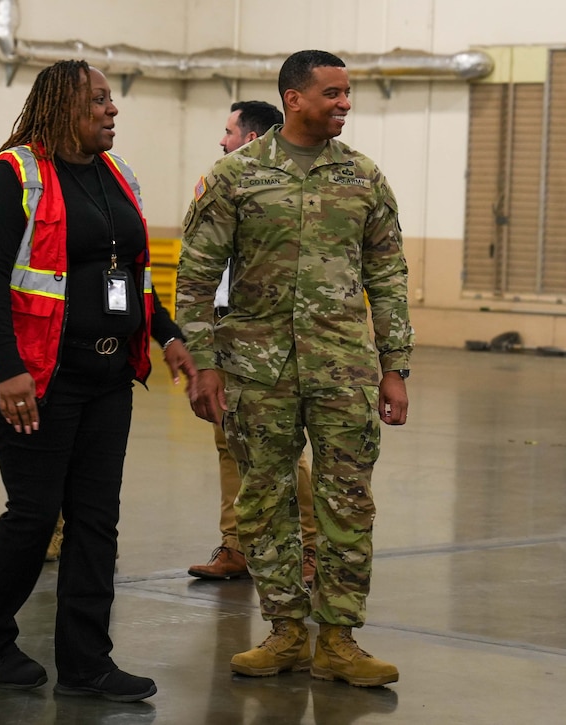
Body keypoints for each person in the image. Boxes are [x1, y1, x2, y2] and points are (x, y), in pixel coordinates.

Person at [176, 49, 412, 688]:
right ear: (293, 98)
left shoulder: (363, 177)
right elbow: (194, 279)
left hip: (343, 371)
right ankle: (283, 632)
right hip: (258, 372)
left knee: (347, 501)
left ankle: (338, 639)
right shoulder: (237, 175)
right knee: (265, 497)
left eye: (346, 93)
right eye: (331, 93)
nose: (344, 103)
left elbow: (387, 277)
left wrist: (396, 368)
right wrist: (204, 365)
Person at [0, 59, 196, 702]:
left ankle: (87, 664)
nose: (112, 109)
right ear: (64, 106)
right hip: (35, 379)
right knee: (36, 514)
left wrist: (167, 335)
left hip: (108, 375)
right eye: (99, 100)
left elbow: (136, 276)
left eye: (111, 100)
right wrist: (10, 371)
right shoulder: (13, 175)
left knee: (97, 520)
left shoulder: (117, 175)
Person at [188, 100, 318, 584]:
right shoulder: (222, 181)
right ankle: (235, 545)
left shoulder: (286, 185)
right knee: (228, 442)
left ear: (252, 136)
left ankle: (311, 547)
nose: (222, 140)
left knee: (284, 451)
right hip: (224, 327)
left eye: (228, 131)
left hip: (269, 334)